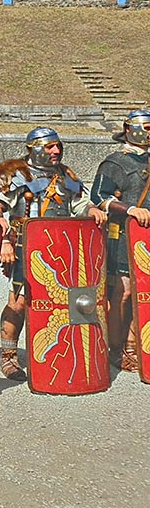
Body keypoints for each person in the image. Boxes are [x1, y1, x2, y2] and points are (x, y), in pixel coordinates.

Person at [0, 126, 107, 380]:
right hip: (23, 246)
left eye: (58, 146)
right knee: (18, 302)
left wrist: (92, 209)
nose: (56, 151)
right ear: (35, 148)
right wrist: (4, 241)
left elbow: (79, 204)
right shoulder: (14, 173)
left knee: (58, 302)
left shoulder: (66, 175)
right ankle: (8, 355)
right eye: (50, 146)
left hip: (59, 250)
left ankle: (53, 352)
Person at [90, 109, 150, 372]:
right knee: (123, 292)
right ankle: (117, 347)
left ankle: (136, 345)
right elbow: (99, 197)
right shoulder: (115, 163)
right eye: (146, 128)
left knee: (145, 293)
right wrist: (129, 209)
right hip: (124, 235)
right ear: (129, 130)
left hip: (147, 237)